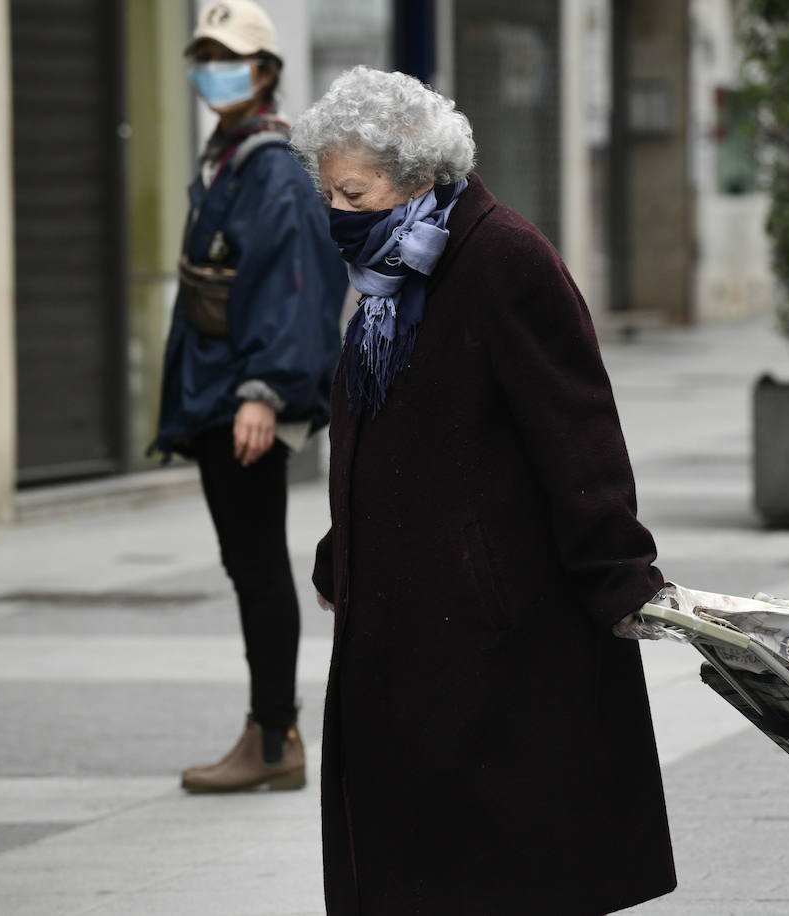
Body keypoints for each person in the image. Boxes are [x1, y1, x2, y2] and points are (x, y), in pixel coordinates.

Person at [293, 67, 677, 914]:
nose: (337, 213)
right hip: (407, 616)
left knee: (494, 865)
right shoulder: (393, 278)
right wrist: (342, 550)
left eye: (353, 192)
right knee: (418, 857)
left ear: (417, 177)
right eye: (329, 192)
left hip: (496, 628)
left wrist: (619, 574)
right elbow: (390, 430)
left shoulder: (503, 259)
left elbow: (577, 430)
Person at [151, 0, 347, 793]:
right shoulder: (229, 153)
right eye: (204, 54)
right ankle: (270, 731)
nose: (212, 69)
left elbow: (296, 289)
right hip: (219, 395)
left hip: (241, 400)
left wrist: (263, 393)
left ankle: (275, 737)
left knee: (259, 565)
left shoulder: (270, 166)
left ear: (265, 72)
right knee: (250, 564)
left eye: (229, 56)